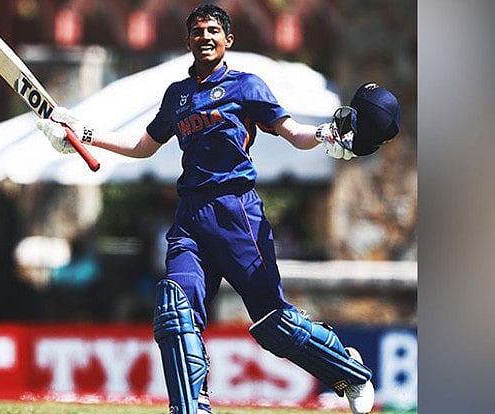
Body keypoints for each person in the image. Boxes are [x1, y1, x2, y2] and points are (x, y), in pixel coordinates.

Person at [37, 4, 378, 413]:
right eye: (198, 31)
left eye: (213, 30)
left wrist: (325, 134)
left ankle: (348, 371)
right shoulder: (177, 95)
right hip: (190, 217)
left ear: (228, 39)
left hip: (237, 213)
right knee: (175, 311)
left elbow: (292, 132)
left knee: (275, 324)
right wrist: (84, 133)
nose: (205, 37)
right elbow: (142, 146)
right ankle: (191, 408)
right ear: (187, 41)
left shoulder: (246, 86)